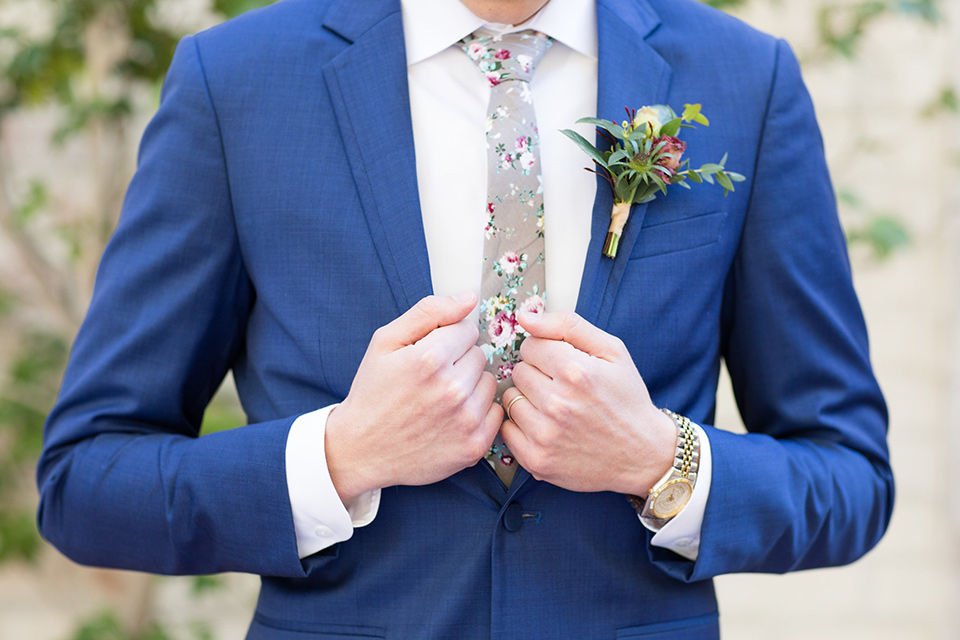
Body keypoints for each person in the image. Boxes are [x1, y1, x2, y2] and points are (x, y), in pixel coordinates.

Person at [36, 0, 894, 637]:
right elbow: (87, 482)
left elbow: (851, 477)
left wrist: (659, 463)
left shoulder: (743, 79)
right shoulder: (237, 83)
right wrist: (339, 458)